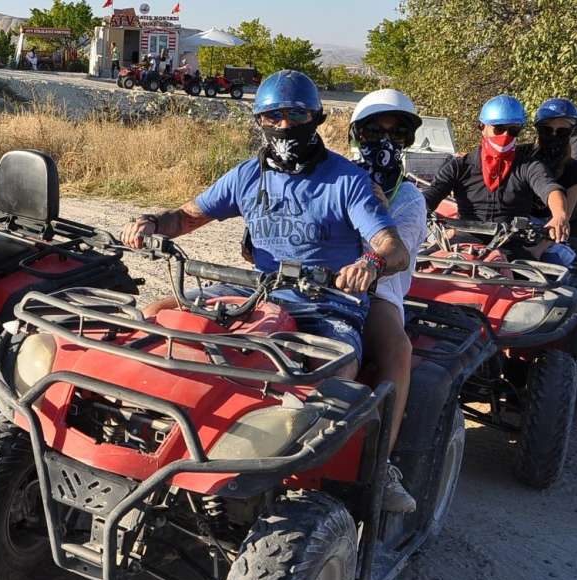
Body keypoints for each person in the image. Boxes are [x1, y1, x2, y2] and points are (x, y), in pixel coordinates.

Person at [120, 70, 413, 510]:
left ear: (314, 118)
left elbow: (392, 247)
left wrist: (370, 263)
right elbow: (186, 216)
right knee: (155, 318)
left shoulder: (347, 181)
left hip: (326, 304)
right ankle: (146, 426)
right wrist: (151, 223)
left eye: (294, 114)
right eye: (271, 116)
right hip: (256, 292)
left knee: (331, 375)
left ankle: (327, 475)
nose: (283, 125)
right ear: (259, 120)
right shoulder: (245, 176)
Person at [350, 89, 428, 512]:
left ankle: (382, 467)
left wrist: (374, 206)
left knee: (397, 348)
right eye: (374, 131)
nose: (384, 141)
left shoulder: (410, 198)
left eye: (395, 133)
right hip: (314, 282)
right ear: (356, 134)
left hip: (376, 291)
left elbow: (390, 256)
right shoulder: (336, 176)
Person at [422, 94, 569, 259]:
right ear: (482, 127)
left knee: (550, 276)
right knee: (414, 267)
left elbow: (549, 188)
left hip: (511, 246)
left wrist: (559, 214)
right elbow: (432, 193)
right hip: (462, 241)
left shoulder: (528, 166)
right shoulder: (460, 166)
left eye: (513, 130)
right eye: (499, 129)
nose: (505, 135)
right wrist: (417, 209)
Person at [525, 98, 577, 262]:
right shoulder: (523, 157)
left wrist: (538, 250)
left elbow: (562, 219)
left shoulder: (574, 171)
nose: (553, 135)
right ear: (538, 130)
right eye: (547, 130)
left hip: (548, 234)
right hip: (516, 228)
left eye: (561, 131)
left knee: (553, 264)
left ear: (571, 133)